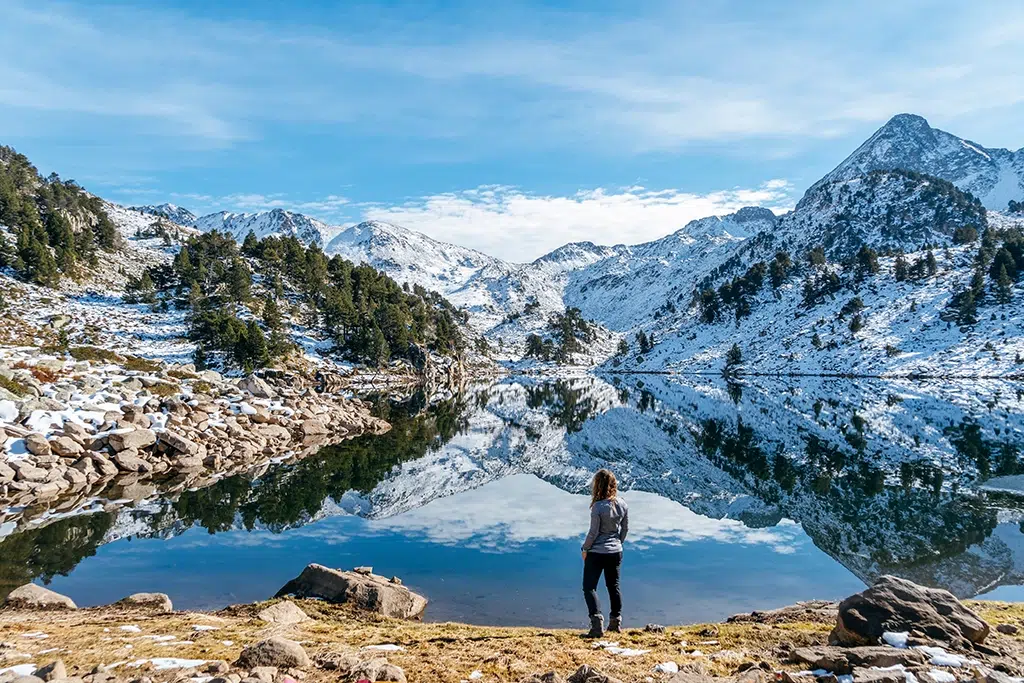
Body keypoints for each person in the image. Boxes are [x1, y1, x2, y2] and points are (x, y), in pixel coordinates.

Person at [580, 468, 629, 638]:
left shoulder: (598, 507)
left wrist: (585, 549)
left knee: (589, 587)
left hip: (597, 553)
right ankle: (615, 623)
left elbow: (593, 533)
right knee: (613, 587)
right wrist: (617, 544)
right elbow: (625, 529)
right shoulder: (622, 504)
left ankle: (596, 625)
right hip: (616, 551)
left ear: (598, 486)